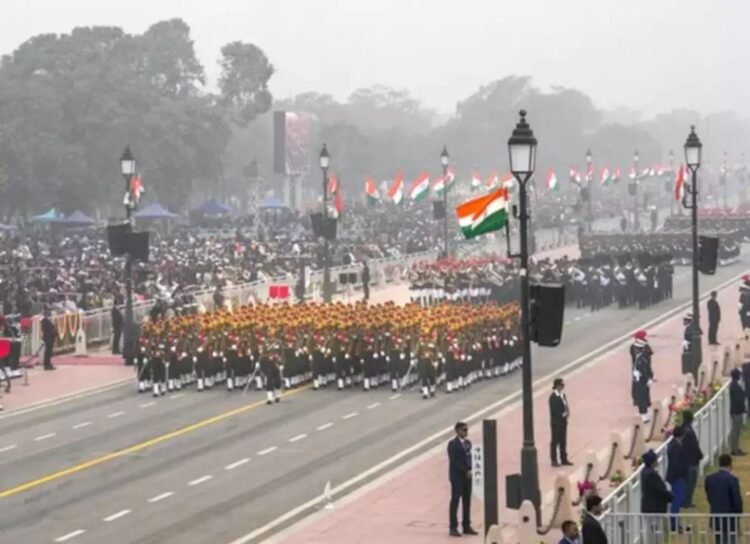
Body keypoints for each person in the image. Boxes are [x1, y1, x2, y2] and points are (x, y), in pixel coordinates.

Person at [447, 421, 478, 537]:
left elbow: (471, 457)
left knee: (467, 501)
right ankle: (453, 527)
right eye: (464, 430)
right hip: (457, 477)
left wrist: (472, 470)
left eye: (467, 430)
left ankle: (466, 525)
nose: (466, 432)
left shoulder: (468, 443)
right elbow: (454, 461)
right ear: (458, 431)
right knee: (455, 501)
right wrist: (466, 471)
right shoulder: (452, 444)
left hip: (467, 477)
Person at [705, 454, 743, 544]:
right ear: (730, 465)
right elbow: (736, 501)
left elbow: (709, 497)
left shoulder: (709, 479)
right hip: (730, 519)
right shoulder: (732, 480)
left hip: (716, 517)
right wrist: (738, 513)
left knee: (719, 540)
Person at [666, 425, 689, 530]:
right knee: (677, 500)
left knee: (677, 501)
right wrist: (681, 475)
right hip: (677, 478)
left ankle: (675, 522)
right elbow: (676, 463)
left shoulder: (674, 444)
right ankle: (674, 524)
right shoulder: (675, 446)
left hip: (676, 476)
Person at [679, 410, 704, 508]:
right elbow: (693, 446)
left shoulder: (683, 429)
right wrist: (699, 455)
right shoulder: (688, 431)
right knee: (690, 482)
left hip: (686, 460)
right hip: (691, 461)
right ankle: (686, 501)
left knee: (688, 482)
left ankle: (687, 500)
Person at [549, 377, 572, 467]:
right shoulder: (553, 397)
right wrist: (562, 414)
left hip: (563, 422)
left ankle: (564, 459)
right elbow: (554, 410)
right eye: (561, 385)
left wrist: (567, 412)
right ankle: (554, 460)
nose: (563, 387)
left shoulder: (563, 395)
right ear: (557, 386)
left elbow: (566, 405)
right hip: (556, 423)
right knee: (555, 441)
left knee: (563, 441)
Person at [729, 368, 746, 456]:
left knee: (737, 431)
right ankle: (734, 449)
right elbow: (738, 399)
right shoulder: (734, 386)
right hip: (736, 411)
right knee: (735, 431)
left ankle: (736, 448)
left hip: (737, 410)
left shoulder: (734, 385)